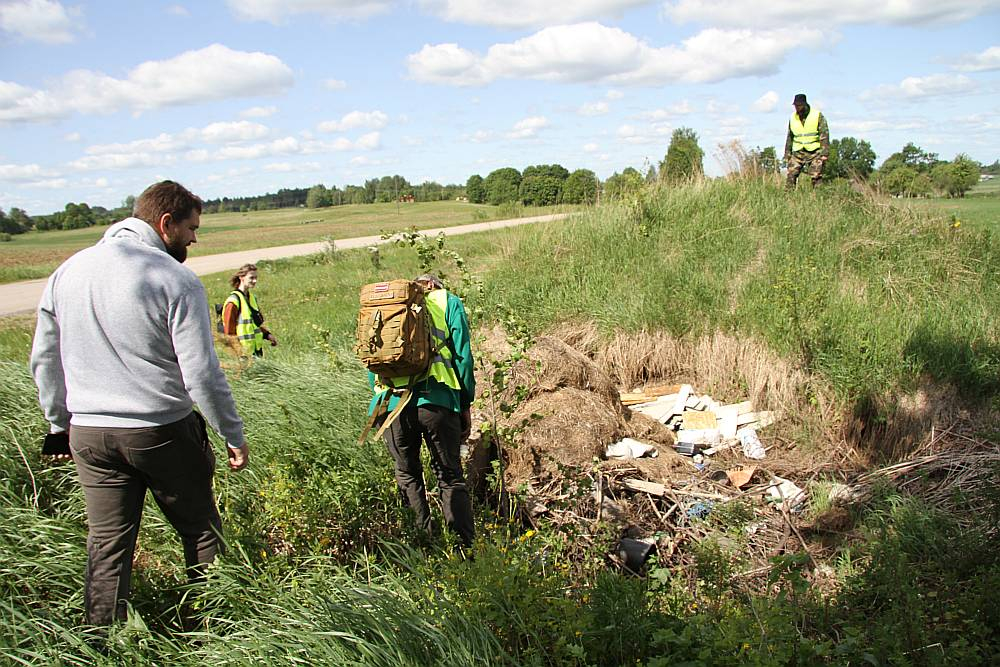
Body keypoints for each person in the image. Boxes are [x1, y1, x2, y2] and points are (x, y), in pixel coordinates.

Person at [30, 180, 251, 626]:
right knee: (200, 532)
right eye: (191, 228)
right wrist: (231, 432)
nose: (194, 238)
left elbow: (44, 359)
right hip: (160, 429)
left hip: (88, 434)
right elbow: (202, 375)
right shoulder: (173, 278)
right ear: (165, 223)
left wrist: (60, 425)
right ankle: (210, 632)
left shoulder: (67, 272)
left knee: (107, 545)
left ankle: (101, 641)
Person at [367, 274, 476, 549]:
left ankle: (421, 549)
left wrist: (382, 399)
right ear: (435, 285)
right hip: (438, 401)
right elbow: (463, 357)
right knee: (450, 477)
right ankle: (464, 552)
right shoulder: (448, 301)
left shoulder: (385, 307)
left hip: (391, 406)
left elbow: (373, 362)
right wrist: (465, 404)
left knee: (407, 474)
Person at [221, 263, 277, 357]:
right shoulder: (233, 302)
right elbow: (229, 332)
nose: (254, 281)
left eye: (256, 278)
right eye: (251, 278)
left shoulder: (251, 298)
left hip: (256, 351)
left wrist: (267, 335)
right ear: (241, 277)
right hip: (243, 354)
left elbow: (254, 325)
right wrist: (237, 352)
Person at [784, 93, 830, 189]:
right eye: (796, 105)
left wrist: (825, 153)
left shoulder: (817, 115)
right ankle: (788, 198)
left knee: (816, 176)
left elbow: (824, 134)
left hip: (815, 152)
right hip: (798, 151)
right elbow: (790, 136)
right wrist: (787, 153)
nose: (797, 108)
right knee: (791, 175)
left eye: (799, 105)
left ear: (804, 104)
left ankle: (818, 198)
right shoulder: (793, 117)